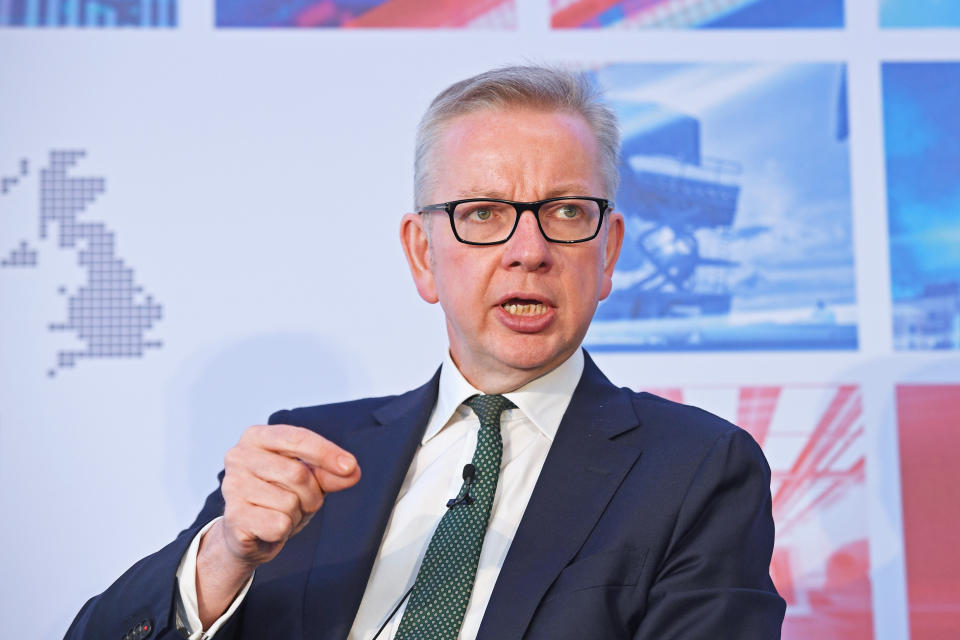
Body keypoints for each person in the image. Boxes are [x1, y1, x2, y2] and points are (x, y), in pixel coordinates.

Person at [66, 65, 785, 640]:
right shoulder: (310, 450)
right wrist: (224, 553)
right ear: (422, 255)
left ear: (608, 253)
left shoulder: (695, 471)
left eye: (566, 212)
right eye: (483, 214)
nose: (528, 252)